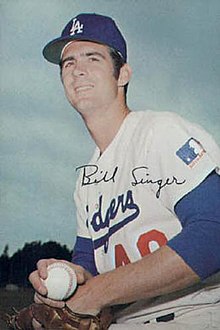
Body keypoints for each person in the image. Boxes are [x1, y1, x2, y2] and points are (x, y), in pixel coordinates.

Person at [29, 13, 220, 329]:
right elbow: (88, 265)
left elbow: (214, 231)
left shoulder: (160, 132)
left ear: (123, 74)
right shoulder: (87, 178)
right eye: (68, 63)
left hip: (193, 315)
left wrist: (97, 294)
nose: (78, 70)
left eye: (93, 58)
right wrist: (66, 280)